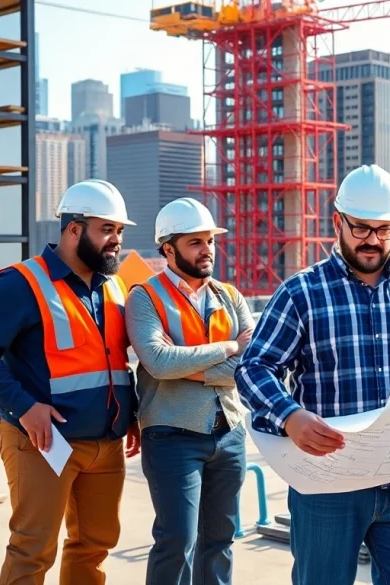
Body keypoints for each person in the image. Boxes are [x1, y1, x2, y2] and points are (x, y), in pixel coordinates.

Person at [235, 164, 390, 585]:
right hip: (328, 485)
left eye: (384, 230)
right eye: (362, 228)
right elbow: (254, 369)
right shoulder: (300, 293)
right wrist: (290, 416)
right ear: (338, 222)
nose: (373, 240)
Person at [0, 179, 140, 585]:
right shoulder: (20, 283)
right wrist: (23, 406)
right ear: (73, 229)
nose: (116, 240)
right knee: (32, 550)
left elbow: (114, 361)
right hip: (42, 443)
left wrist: (131, 414)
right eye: (106, 229)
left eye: (120, 231)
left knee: (94, 546)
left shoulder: (115, 286)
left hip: (105, 445)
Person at [124, 197, 254, 585]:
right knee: (177, 540)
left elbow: (254, 365)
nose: (207, 249)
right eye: (196, 242)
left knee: (221, 539)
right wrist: (230, 347)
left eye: (210, 241)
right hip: (171, 435)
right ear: (168, 248)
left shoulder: (229, 297)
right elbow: (159, 362)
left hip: (229, 434)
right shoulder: (144, 297)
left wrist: (188, 367)